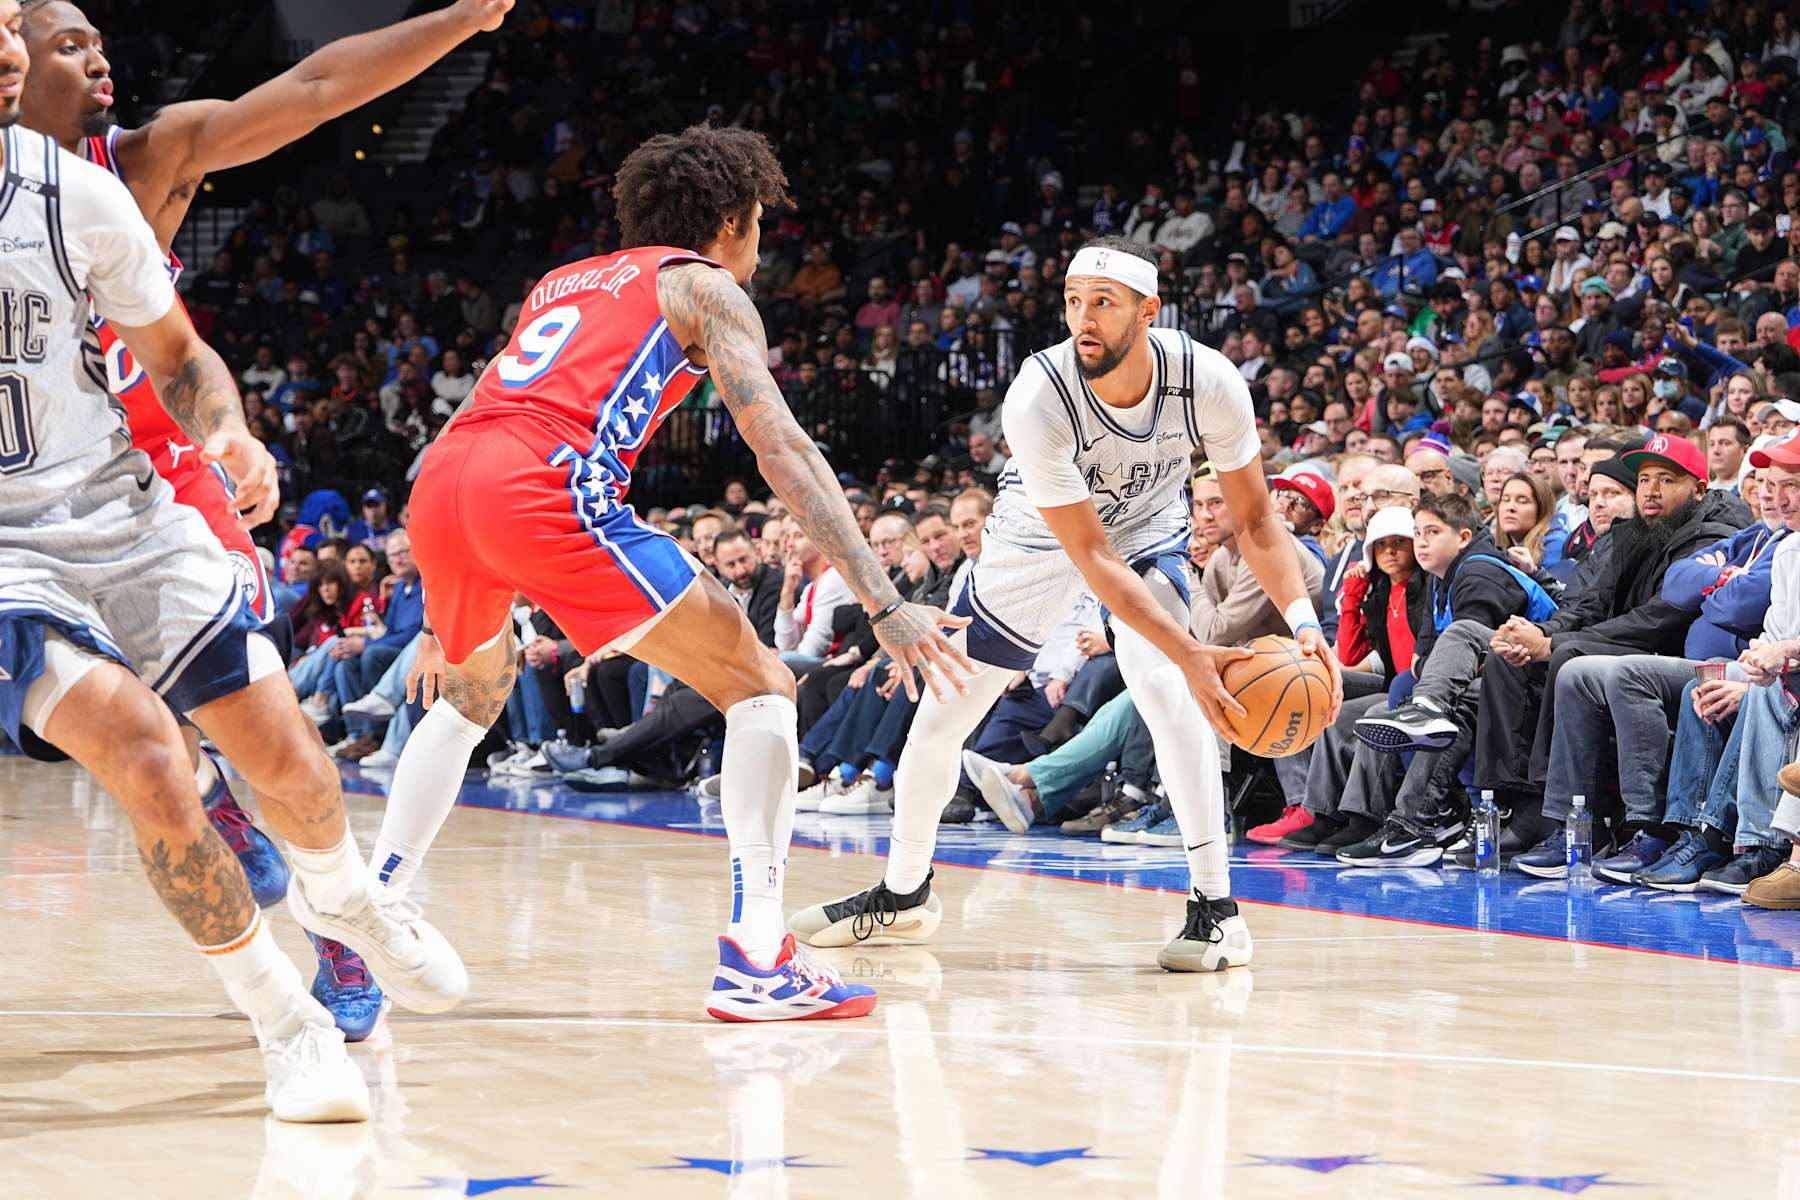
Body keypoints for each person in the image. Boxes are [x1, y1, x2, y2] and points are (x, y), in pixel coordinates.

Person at [378, 125, 973, 1023]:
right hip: (544, 483)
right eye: (762, 221)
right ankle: (761, 956)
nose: (762, 241)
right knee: (761, 684)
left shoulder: (563, 281)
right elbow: (782, 447)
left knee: (472, 693)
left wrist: (438, 599)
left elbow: (494, 407)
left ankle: (371, 910)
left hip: (448, 481)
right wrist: (884, 598)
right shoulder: (705, 286)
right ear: (732, 220)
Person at [0, 5, 462, 1122]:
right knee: (159, 764)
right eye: (64, 40)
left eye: (44, 34)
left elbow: (311, 94)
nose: (83, 56)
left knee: (275, 757)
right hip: (18, 546)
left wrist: (457, 21)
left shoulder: (127, 170)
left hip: (163, 489)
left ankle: (343, 905)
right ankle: (284, 996)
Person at [789, 236, 1340, 972]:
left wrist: (1304, 624)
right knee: (942, 716)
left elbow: (1257, 521)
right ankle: (904, 893)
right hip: (1039, 542)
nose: (1083, 317)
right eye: (1074, 300)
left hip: (1146, 529)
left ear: (1149, 311)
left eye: (1103, 303)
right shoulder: (1038, 392)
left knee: (1165, 689)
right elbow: (1092, 559)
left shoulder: (1207, 380)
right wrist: (1191, 648)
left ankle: (1216, 909)